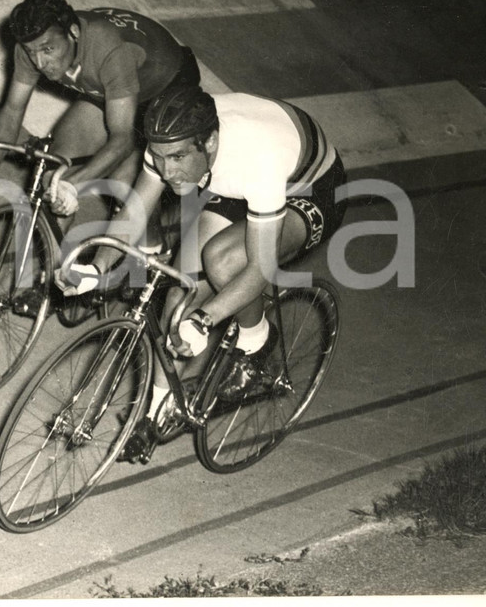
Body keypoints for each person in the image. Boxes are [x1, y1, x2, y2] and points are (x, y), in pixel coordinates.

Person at [63, 85, 348, 463]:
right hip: (231, 176)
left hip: (310, 188)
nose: (167, 171)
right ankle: (155, 414)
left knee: (223, 261)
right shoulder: (169, 143)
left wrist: (204, 319)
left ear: (209, 142)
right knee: (179, 293)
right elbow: (134, 213)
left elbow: (260, 267)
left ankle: (257, 338)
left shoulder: (257, 162)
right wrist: (96, 267)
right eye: (159, 158)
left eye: (177, 158)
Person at [0, 0, 201, 219]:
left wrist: (73, 185)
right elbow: (12, 109)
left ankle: (150, 240)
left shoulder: (108, 48)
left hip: (166, 85)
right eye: (32, 52)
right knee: (54, 176)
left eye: (48, 50)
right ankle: (54, 245)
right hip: (112, 87)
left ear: (74, 32)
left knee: (124, 186)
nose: (39, 62)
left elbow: (122, 139)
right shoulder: (32, 45)